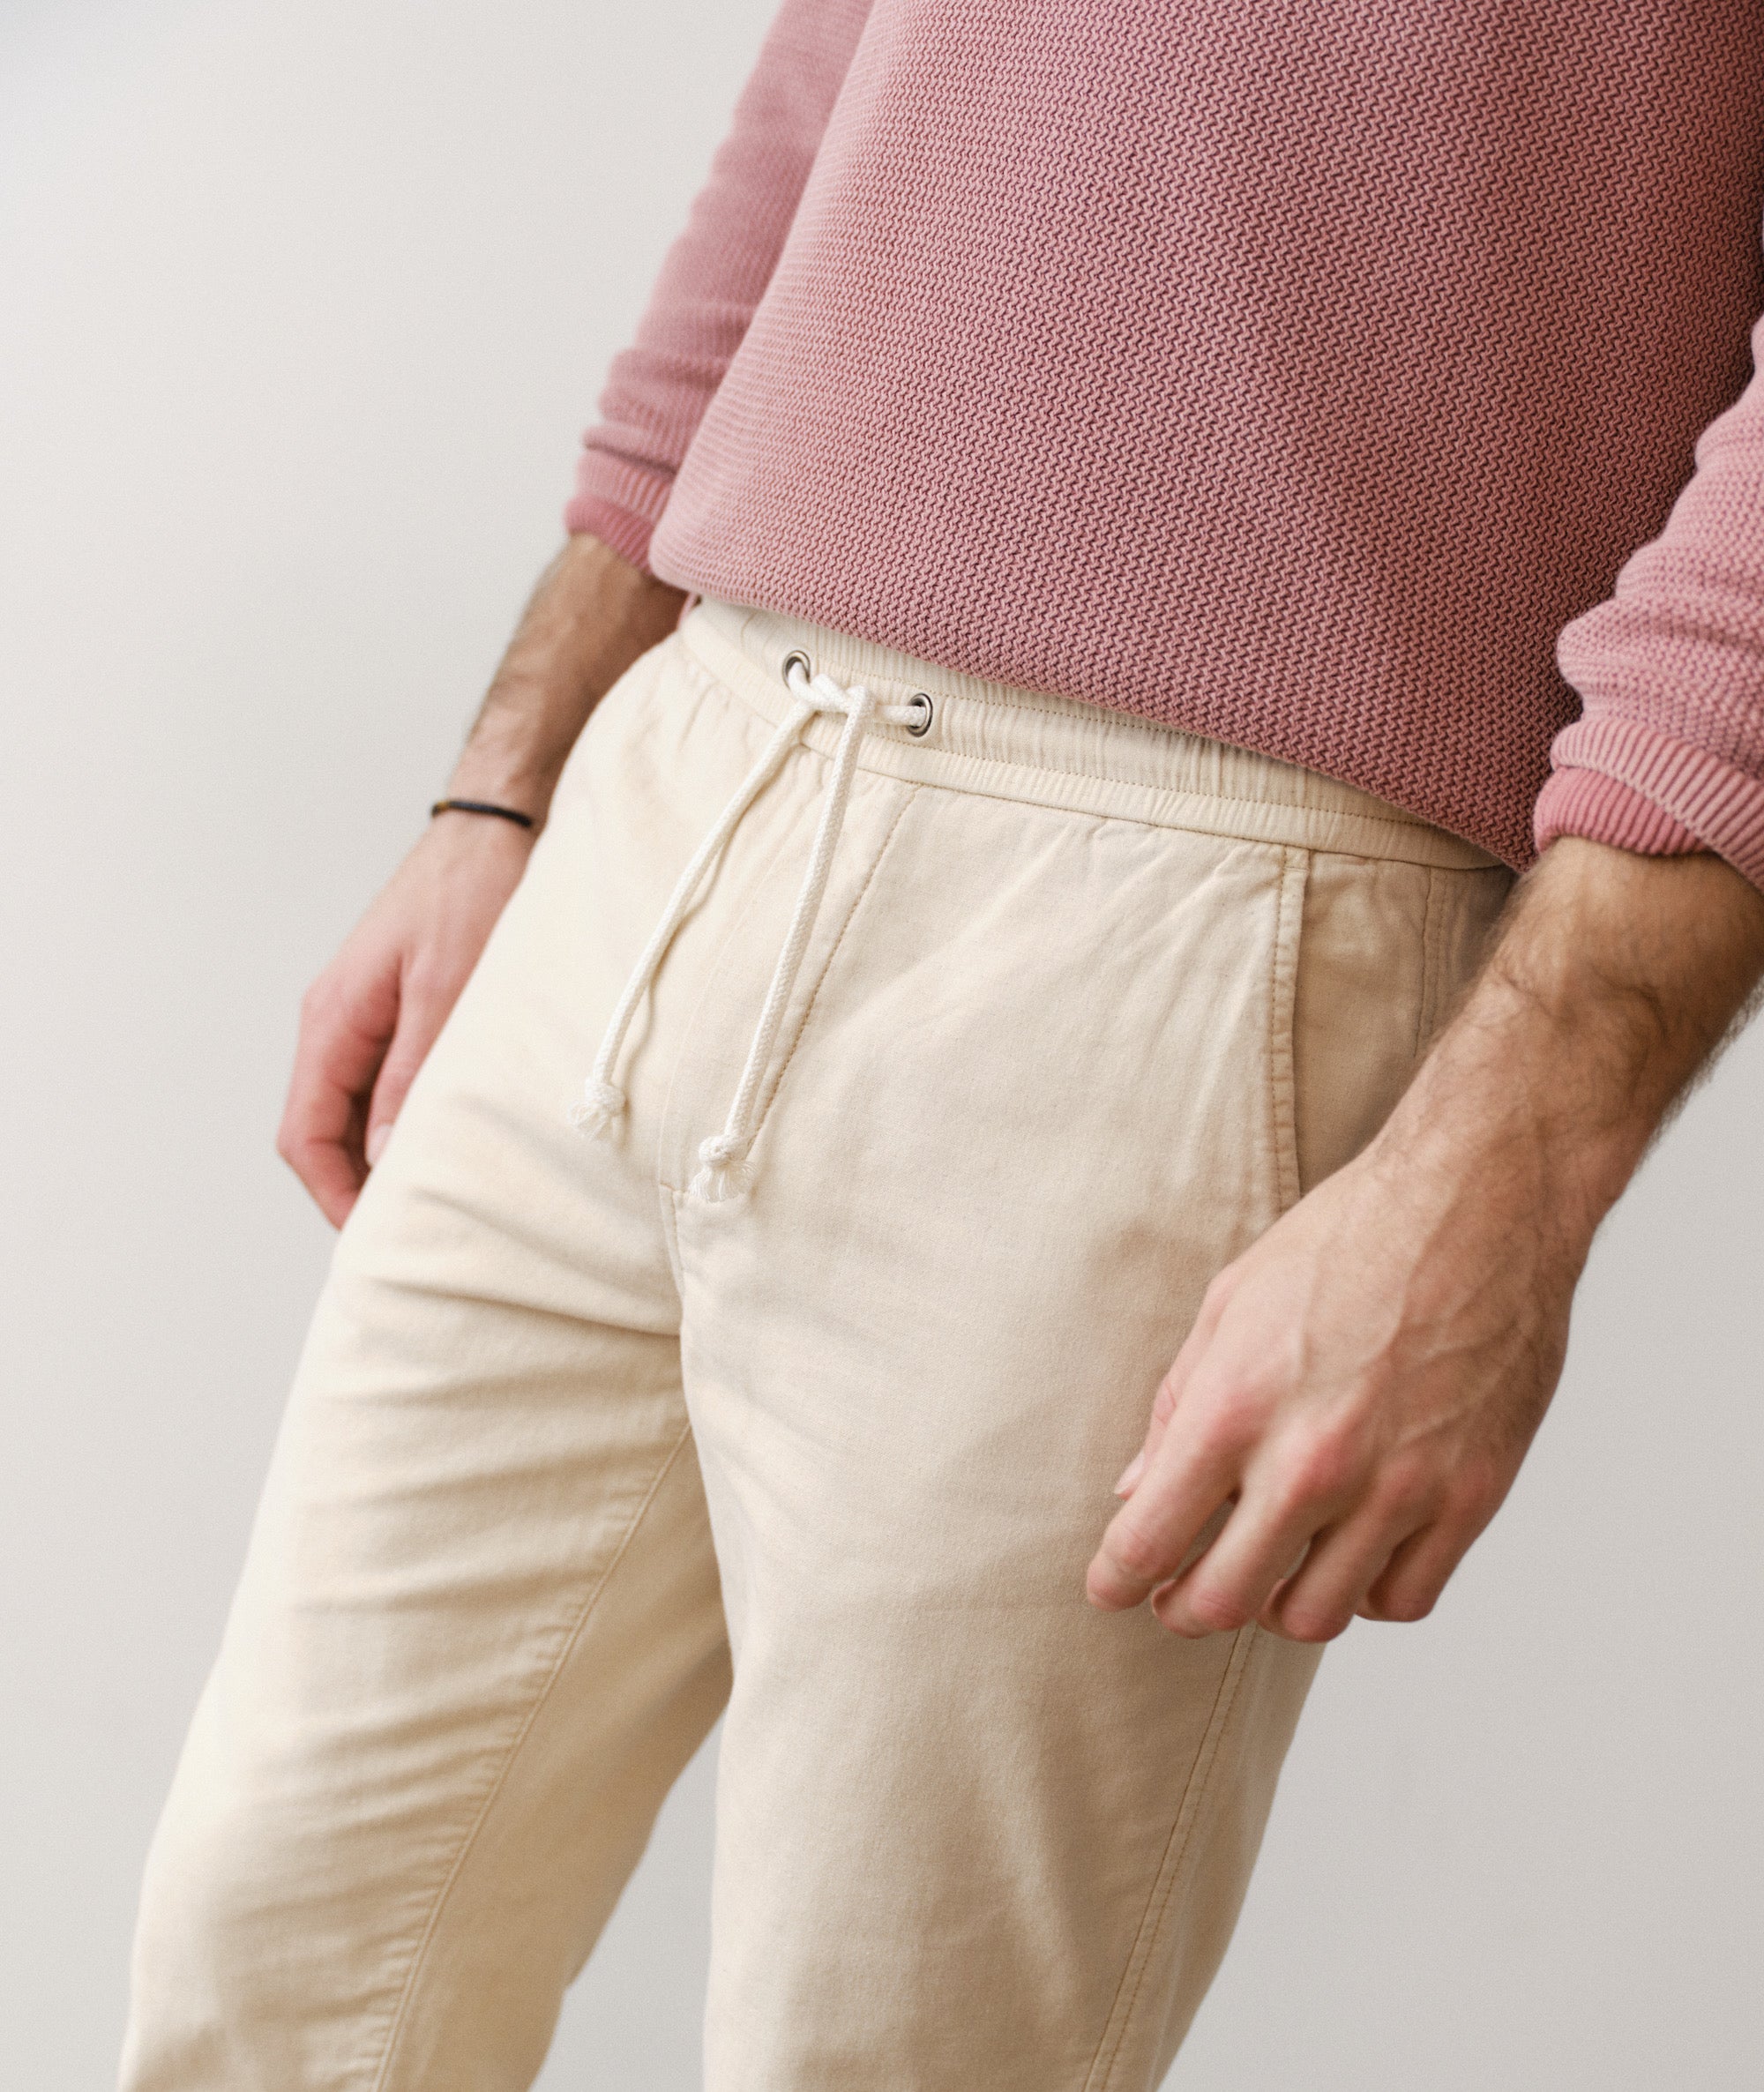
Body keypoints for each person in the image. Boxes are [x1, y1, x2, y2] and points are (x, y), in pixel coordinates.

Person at [120, 4, 1764, 2088]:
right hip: (678, 773)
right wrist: (508, 777)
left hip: (1191, 921)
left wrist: (1510, 1168)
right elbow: (839, 87)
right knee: (268, 1972)